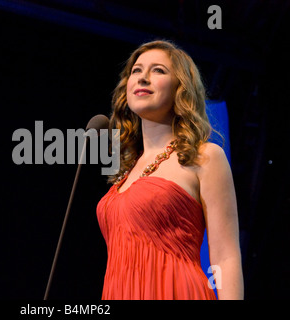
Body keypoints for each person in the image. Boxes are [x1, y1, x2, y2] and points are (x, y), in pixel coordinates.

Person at [96, 40, 243, 300]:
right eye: (136, 71)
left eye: (158, 70)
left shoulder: (205, 157)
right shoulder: (126, 170)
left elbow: (226, 257)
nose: (142, 78)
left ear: (180, 89)